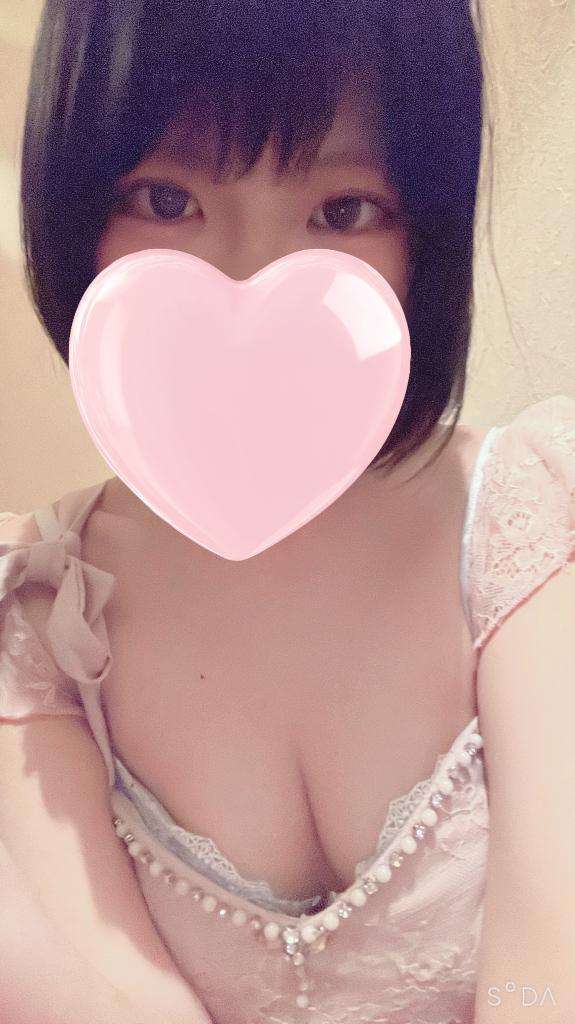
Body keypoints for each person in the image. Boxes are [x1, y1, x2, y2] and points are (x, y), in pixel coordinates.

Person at [1, 2, 574, 1023]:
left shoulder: (527, 515)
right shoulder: (37, 610)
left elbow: (552, 980)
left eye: (343, 210)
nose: (250, 284)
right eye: (166, 198)